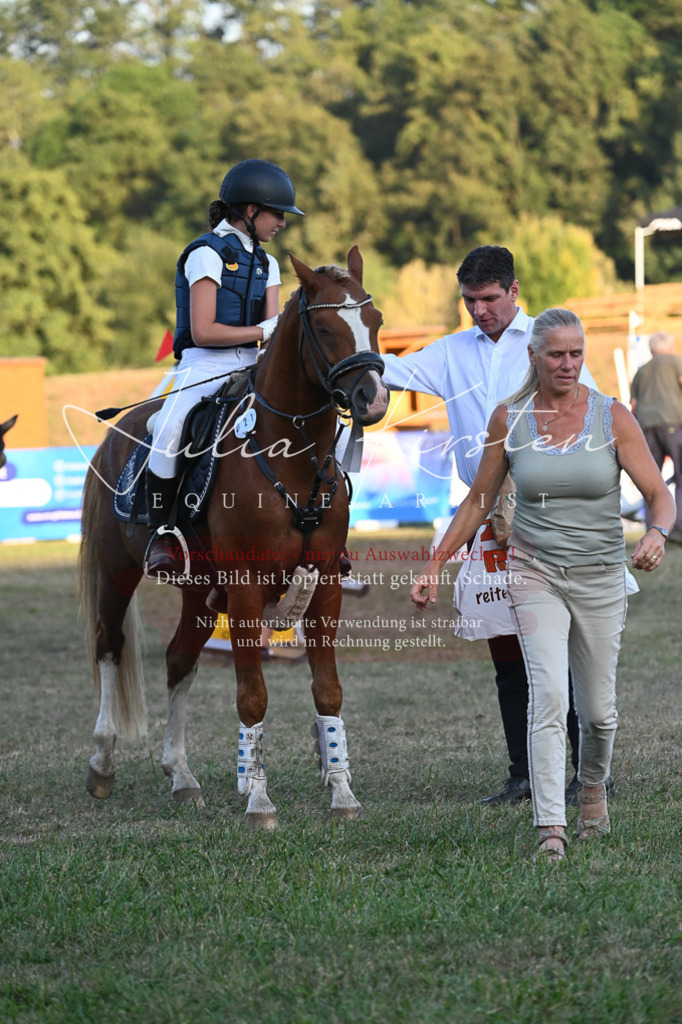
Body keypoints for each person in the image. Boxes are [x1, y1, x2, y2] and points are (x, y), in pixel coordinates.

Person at [410, 307, 675, 862]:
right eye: (556, 354)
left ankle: (594, 790)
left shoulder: (612, 416)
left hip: (601, 574)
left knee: (600, 713)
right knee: (549, 697)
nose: (568, 364)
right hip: (534, 573)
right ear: (533, 356)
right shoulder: (511, 420)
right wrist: (435, 564)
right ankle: (550, 827)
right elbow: (479, 500)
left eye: (576, 354)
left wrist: (656, 533)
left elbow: (659, 493)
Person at [381, 246, 596, 805]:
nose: (480, 310)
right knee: (506, 655)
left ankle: (589, 773)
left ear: (515, 292)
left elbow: (594, 413)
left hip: (552, 506)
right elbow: (389, 370)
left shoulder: (551, 343)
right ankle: (522, 774)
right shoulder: (451, 352)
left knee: (564, 652)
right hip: (484, 512)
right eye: (471, 300)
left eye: (490, 299)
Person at [144, 159, 304, 577]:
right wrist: (264, 330)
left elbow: (270, 332)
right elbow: (204, 329)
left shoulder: (267, 263)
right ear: (250, 211)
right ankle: (163, 535)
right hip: (204, 362)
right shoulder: (205, 253)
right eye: (277, 214)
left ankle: (320, 528)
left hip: (254, 363)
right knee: (171, 427)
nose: (283, 224)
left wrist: (273, 338)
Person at [630, 330, 682, 543]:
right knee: (681, 476)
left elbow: (633, 405)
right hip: (673, 423)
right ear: (669, 346)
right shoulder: (675, 361)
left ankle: (653, 529)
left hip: (646, 428)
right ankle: (678, 529)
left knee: (650, 480)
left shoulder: (641, 371)